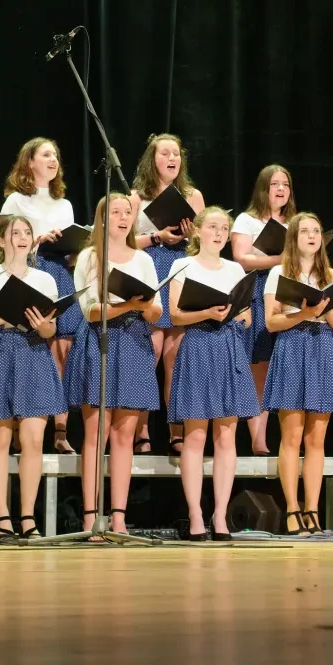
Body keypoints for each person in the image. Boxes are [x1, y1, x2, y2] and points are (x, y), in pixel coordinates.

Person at [0, 216, 67, 539]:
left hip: (33, 352)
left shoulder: (44, 279)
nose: (22, 238)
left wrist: (42, 325)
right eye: (15, 233)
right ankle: (2, 517)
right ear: (1, 241)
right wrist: (5, 313)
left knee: (33, 439)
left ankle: (28, 517)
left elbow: (50, 330)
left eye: (27, 233)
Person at [66, 193, 163, 537]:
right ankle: (91, 516)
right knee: (97, 433)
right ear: (103, 219)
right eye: (115, 212)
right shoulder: (90, 257)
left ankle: (119, 517)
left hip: (134, 341)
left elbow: (157, 311)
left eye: (127, 213)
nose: (123, 218)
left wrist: (143, 306)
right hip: (101, 340)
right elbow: (90, 311)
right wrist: (126, 306)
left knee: (124, 435)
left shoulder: (143, 259)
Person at [168, 206, 257, 541]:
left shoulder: (234, 269)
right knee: (195, 436)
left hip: (228, 347)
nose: (219, 234)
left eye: (224, 229)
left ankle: (220, 515)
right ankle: (195, 515)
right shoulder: (183, 265)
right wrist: (206, 312)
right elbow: (175, 315)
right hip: (198, 346)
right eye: (213, 227)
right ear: (198, 231)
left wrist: (237, 315)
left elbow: (247, 315)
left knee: (226, 436)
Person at [262, 213, 333, 535]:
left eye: (316, 231)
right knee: (292, 436)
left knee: (316, 439)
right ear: (293, 238)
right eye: (305, 231)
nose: (312, 236)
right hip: (292, 346)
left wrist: (326, 307)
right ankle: (292, 509)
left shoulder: (330, 275)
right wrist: (305, 313)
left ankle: (312, 509)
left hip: (323, 349)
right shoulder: (279, 273)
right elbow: (271, 322)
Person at [129, 133, 206, 458]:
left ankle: (176, 431)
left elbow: (205, 240)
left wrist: (192, 234)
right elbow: (124, 240)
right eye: (165, 153)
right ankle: (141, 430)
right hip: (150, 268)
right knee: (150, 355)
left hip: (181, 271)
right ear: (153, 159)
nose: (172, 158)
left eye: (176, 153)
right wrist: (156, 237)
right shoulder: (137, 197)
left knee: (177, 360)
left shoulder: (192, 195)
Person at [1, 137, 78, 454]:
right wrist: (37, 240)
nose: (53, 159)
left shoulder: (64, 204)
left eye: (55, 155)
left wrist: (75, 249)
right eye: (46, 154)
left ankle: (60, 429)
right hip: (29, 271)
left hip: (60, 272)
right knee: (30, 349)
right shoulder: (16, 201)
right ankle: (20, 425)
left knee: (64, 349)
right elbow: (3, 243)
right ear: (29, 161)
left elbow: (71, 251)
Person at [230, 164, 296, 456]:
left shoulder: (293, 223)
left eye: (285, 184)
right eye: (275, 184)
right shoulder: (247, 220)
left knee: (273, 369)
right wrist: (280, 258)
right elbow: (241, 258)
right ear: (263, 188)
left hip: (287, 292)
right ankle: (257, 439)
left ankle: (269, 437)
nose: (281, 189)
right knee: (257, 364)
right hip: (257, 289)